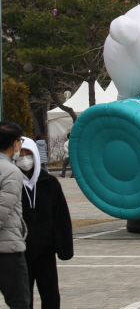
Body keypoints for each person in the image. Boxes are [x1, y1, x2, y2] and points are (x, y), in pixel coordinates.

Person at [18, 136, 73, 309]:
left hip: (45, 251)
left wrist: (64, 248)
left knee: (50, 296)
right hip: (20, 252)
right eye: (20, 154)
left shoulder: (50, 183)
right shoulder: (11, 183)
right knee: (22, 298)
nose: (24, 159)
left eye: (28, 154)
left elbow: (61, 216)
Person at [0, 121, 31, 308]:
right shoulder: (11, 171)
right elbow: (3, 209)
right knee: (19, 302)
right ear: (15, 144)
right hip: (8, 251)